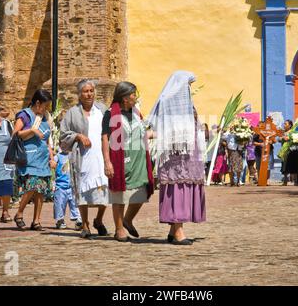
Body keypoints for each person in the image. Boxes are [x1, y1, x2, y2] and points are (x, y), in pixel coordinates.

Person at [148, 70, 206, 245]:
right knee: (178, 188)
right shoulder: (169, 103)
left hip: (190, 154)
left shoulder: (187, 104)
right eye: (188, 85)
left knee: (184, 186)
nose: (189, 89)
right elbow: (162, 127)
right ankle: (179, 231)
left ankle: (174, 230)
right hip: (176, 156)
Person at [102, 81, 154, 242]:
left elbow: (142, 133)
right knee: (119, 194)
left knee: (142, 190)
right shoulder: (110, 114)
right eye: (133, 94)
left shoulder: (136, 113)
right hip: (120, 159)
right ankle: (119, 229)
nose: (135, 97)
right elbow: (105, 138)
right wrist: (107, 162)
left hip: (139, 160)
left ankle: (128, 220)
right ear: (125, 98)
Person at [60, 79, 110, 239]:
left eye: (91, 91)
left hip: (101, 156)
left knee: (105, 189)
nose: (89, 94)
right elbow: (63, 134)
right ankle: (86, 225)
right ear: (79, 94)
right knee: (82, 190)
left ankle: (99, 220)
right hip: (82, 157)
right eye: (85, 91)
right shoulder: (72, 113)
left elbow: (112, 130)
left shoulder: (102, 109)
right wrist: (78, 136)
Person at [13, 89, 56, 230]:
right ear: (38, 103)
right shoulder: (25, 115)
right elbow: (15, 133)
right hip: (29, 159)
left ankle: (36, 221)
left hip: (43, 160)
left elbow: (47, 142)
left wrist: (51, 158)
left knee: (40, 191)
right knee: (32, 186)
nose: (46, 109)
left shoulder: (45, 118)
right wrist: (31, 130)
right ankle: (19, 213)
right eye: (45, 105)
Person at [53, 148, 82, 230]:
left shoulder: (75, 154)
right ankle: (60, 220)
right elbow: (53, 163)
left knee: (75, 204)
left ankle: (78, 219)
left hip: (73, 185)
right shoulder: (58, 156)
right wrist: (52, 163)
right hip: (60, 185)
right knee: (59, 204)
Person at [280, 120, 298, 186]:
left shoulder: (293, 132)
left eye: (285, 124)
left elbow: (295, 139)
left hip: (292, 151)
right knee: (284, 166)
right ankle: (285, 181)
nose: (284, 125)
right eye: (284, 124)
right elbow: (279, 139)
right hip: (285, 151)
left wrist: (289, 138)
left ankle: (295, 181)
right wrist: (282, 138)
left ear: (290, 125)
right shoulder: (283, 132)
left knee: (293, 165)